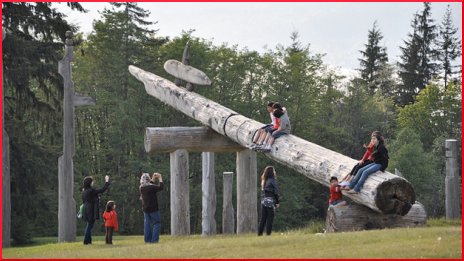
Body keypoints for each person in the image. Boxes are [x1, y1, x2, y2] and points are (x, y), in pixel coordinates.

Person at [81, 175, 110, 245]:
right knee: (89, 226)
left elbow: (88, 199)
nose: (93, 182)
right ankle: (85, 241)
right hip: (91, 209)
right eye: (92, 181)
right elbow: (102, 190)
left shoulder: (84, 191)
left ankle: (89, 241)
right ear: (89, 183)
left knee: (89, 225)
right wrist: (107, 181)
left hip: (86, 208)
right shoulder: (91, 190)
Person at [139, 172, 164, 243]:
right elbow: (161, 187)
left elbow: (149, 184)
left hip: (145, 208)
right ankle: (154, 240)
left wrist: (153, 178)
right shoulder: (151, 187)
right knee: (157, 223)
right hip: (153, 208)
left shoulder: (141, 187)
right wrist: (160, 178)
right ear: (148, 179)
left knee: (147, 224)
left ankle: (147, 240)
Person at [258, 166, 280, 236]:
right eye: (274, 171)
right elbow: (276, 192)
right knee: (270, 219)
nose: (275, 172)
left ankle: (259, 234)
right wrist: (277, 202)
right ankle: (268, 235)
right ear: (272, 172)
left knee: (263, 219)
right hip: (270, 201)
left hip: (263, 201)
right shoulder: (273, 180)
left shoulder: (264, 181)